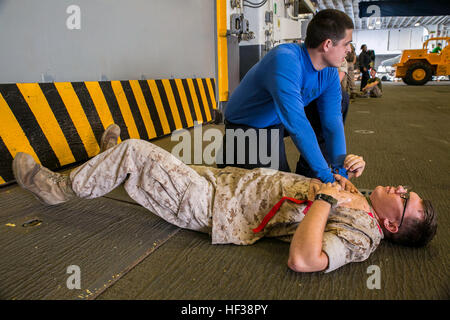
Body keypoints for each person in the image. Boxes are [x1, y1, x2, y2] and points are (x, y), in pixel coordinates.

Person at [12, 126, 437, 273]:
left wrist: (328, 199)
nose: (400, 188)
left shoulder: (363, 234)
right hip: (229, 184)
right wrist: (344, 174)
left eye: (404, 199)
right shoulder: (363, 202)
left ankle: (57, 189)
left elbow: (306, 260)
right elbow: (319, 195)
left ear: (392, 225)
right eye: (406, 189)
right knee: (150, 164)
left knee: (138, 153)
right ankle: (111, 159)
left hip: (218, 208)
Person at [218, 9, 356, 183]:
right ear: (327, 44)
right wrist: (328, 179)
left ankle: (311, 175)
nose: (349, 50)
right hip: (248, 128)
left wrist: (340, 172)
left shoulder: (329, 72)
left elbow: (332, 124)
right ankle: (231, 161)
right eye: (346, 44)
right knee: (275, 189)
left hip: (277, 120)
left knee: (342, 99)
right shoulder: (285, 60)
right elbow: (297, 124)